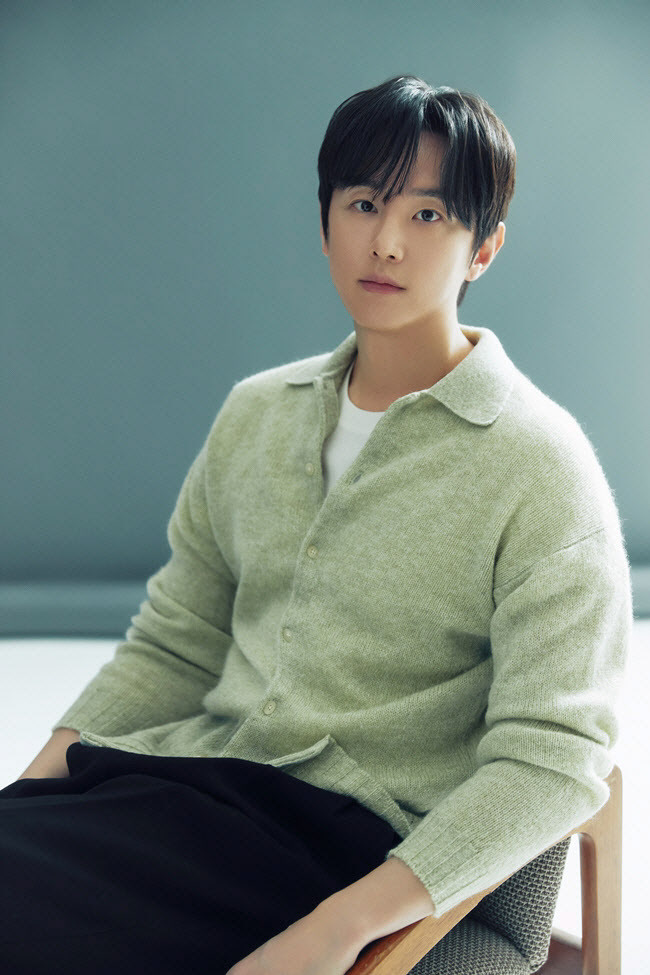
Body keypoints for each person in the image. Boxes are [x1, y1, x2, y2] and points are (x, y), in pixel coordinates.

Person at [1, 75, 632, 974]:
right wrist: (28, 793)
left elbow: (555, 760)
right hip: (177, 792)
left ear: (484, 248)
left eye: (427, 215)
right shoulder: (258, 413)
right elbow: (176, 644)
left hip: (339, 849)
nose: (386, 242)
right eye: (365, 203)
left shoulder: (540, 466)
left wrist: (335, 931)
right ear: (325, 220)